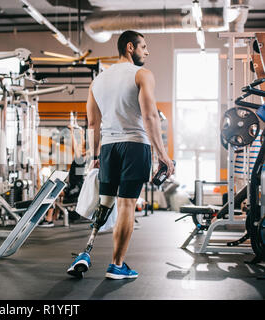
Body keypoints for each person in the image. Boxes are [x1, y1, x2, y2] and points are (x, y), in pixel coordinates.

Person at [67, 30, 174, 280]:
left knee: (105, 201)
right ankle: (117, 264)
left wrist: (95, 155)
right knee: (126, 205)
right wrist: (163, 156)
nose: (146, 52)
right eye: (143, 47)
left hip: (108, 148)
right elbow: (149, 117)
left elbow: (92, 124)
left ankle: (87, 250)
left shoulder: (98, 81)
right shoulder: (142, 74)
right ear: (130, 47)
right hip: (135, 145)